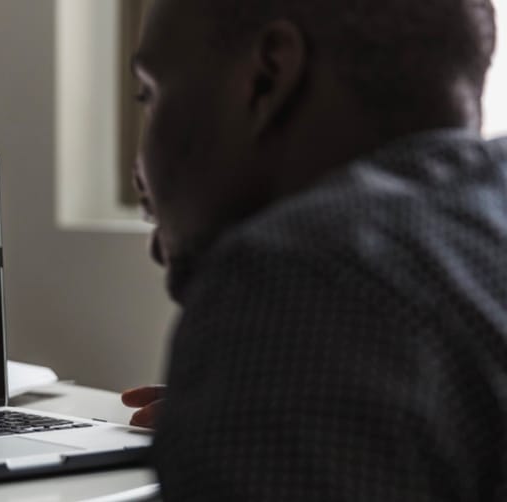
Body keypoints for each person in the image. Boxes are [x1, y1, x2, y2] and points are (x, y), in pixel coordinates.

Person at [120, 0, 507, 499]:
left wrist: (267, 361)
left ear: (266, 77)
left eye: (148, 94)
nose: (139, 171)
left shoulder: (300, 277)